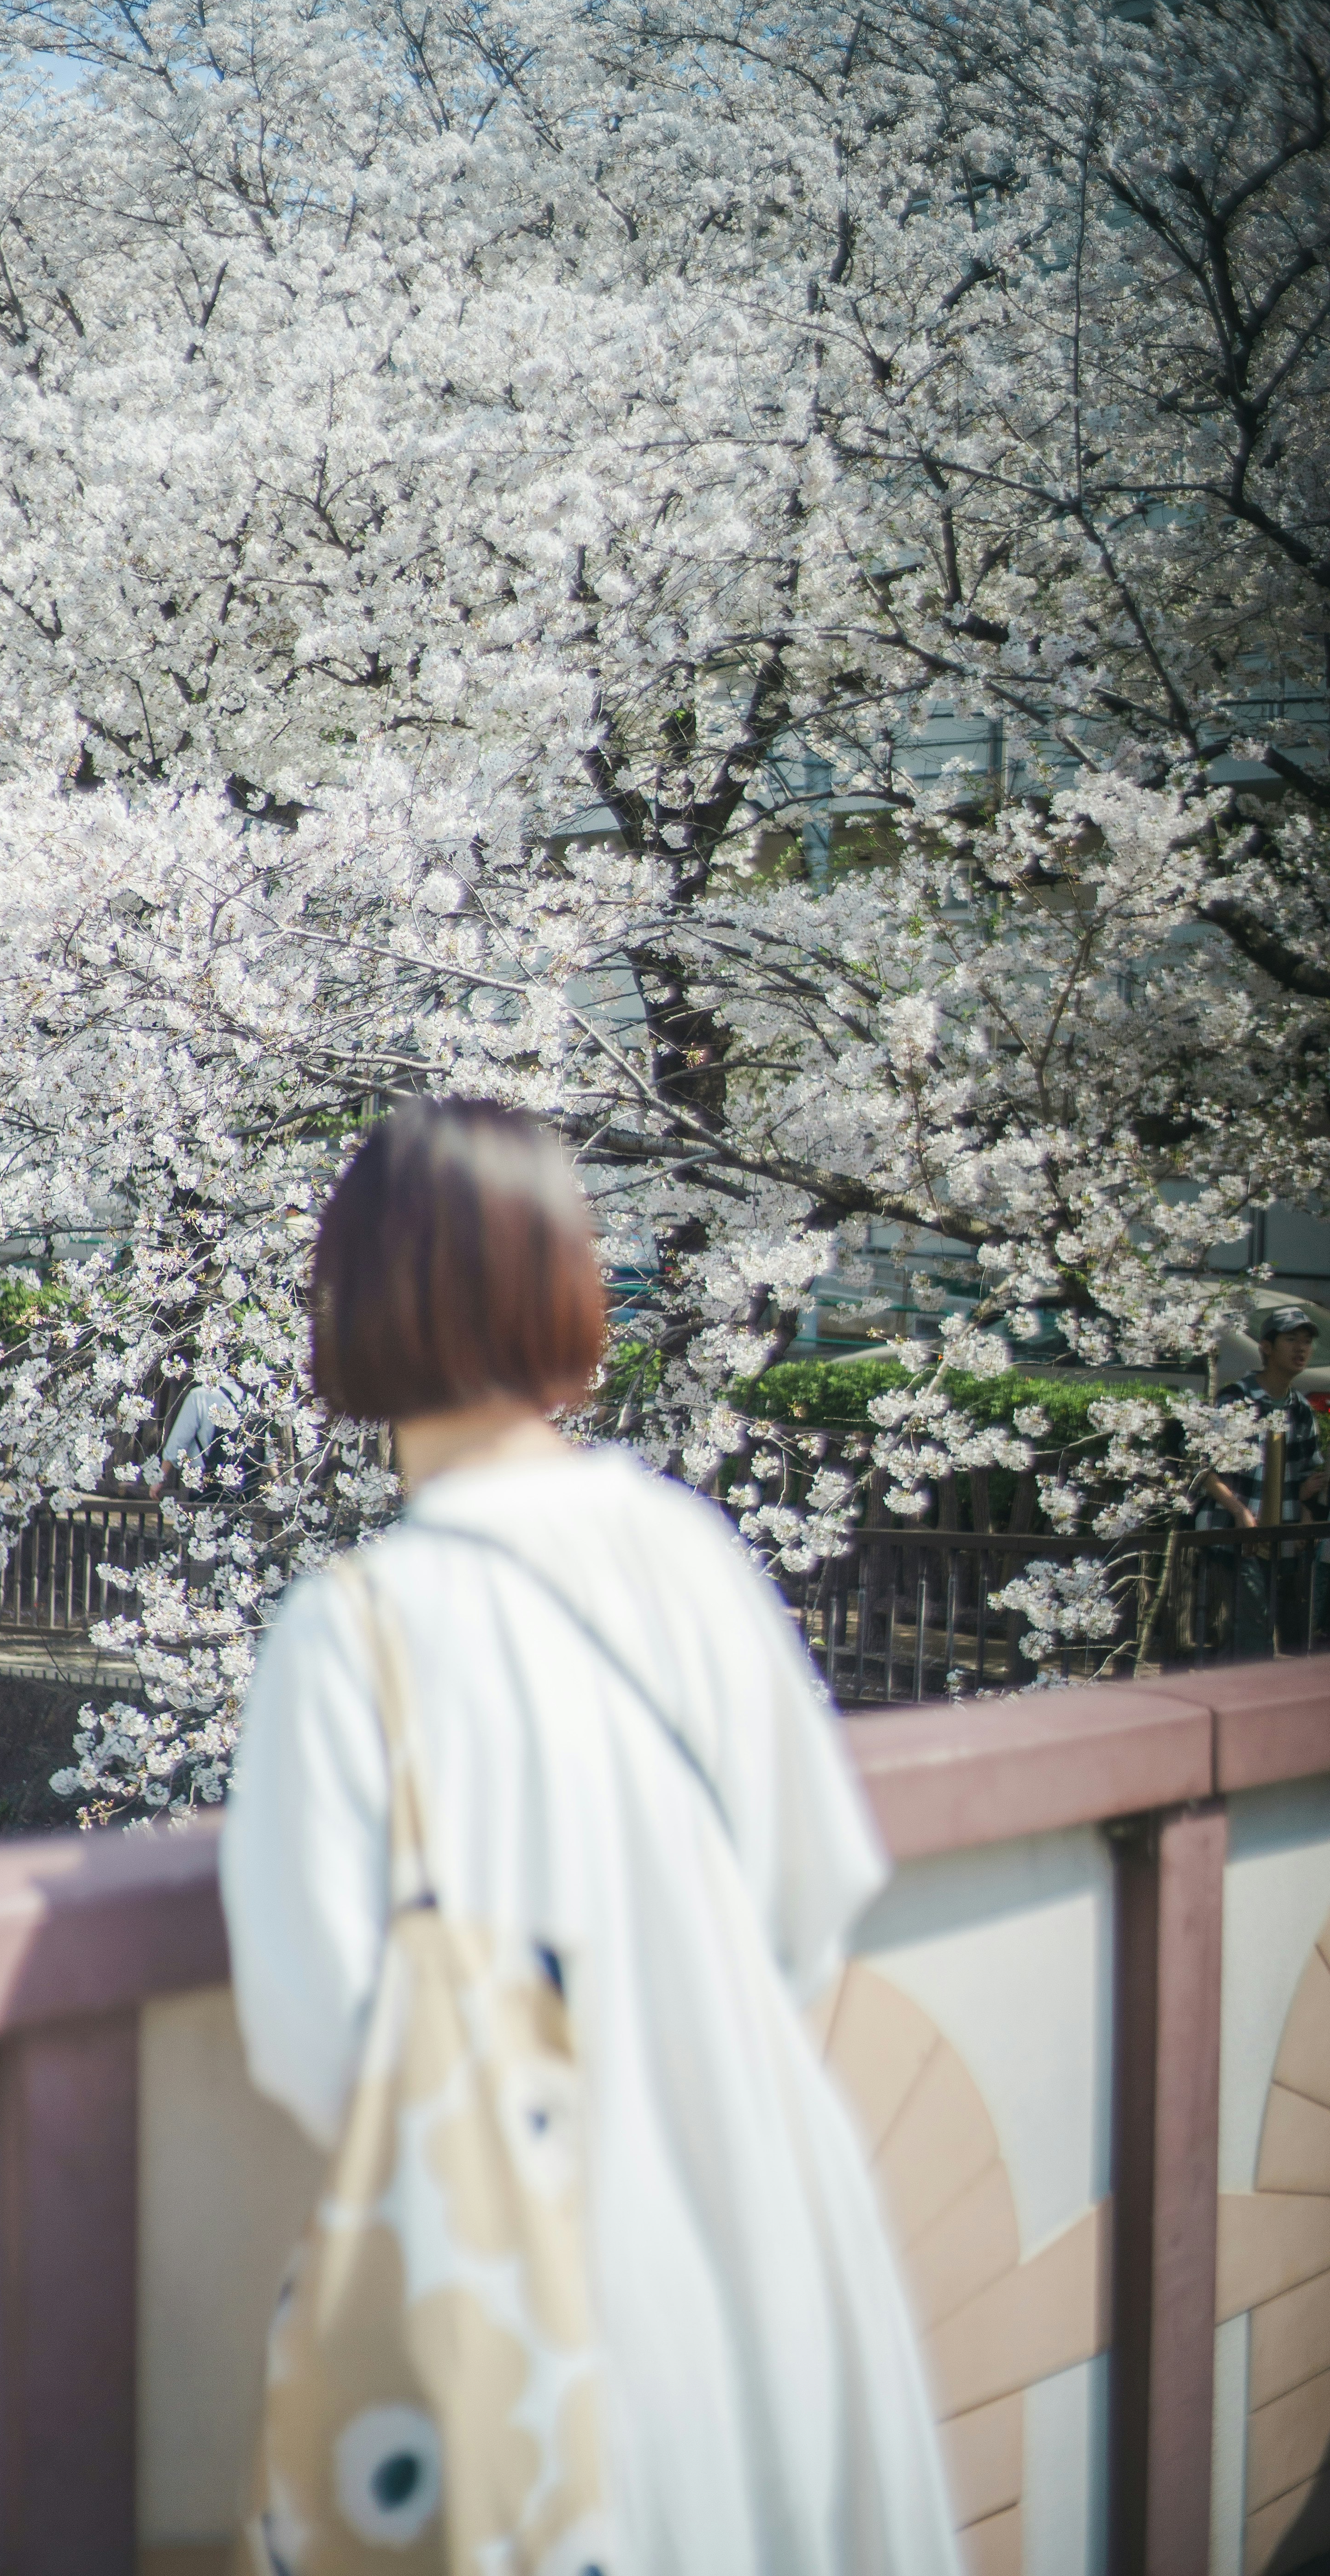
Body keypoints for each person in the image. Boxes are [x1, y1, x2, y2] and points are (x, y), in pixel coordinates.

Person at [221, 1099, 961, 2576]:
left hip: (539, 2293)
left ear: (346, 1303)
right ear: (569, 1286)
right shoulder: (688, 1549)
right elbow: (812, 1896)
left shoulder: (354, 1629)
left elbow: (315, 2037)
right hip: (773, 2230)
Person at [1198, 1306, 1328, 1654]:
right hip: (1234, 1531)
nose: (1301, 1349)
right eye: (1291, 1340)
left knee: (1263, 1624)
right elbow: (1202, 1468)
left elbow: (1306, 1472)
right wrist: (1239, 1511)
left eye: (1307, 1342)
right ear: (1267, 1348)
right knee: (1251, 1629)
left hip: (1280, 1533)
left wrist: (1305, 1511)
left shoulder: (1300, 1408)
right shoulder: (1236, 1399)